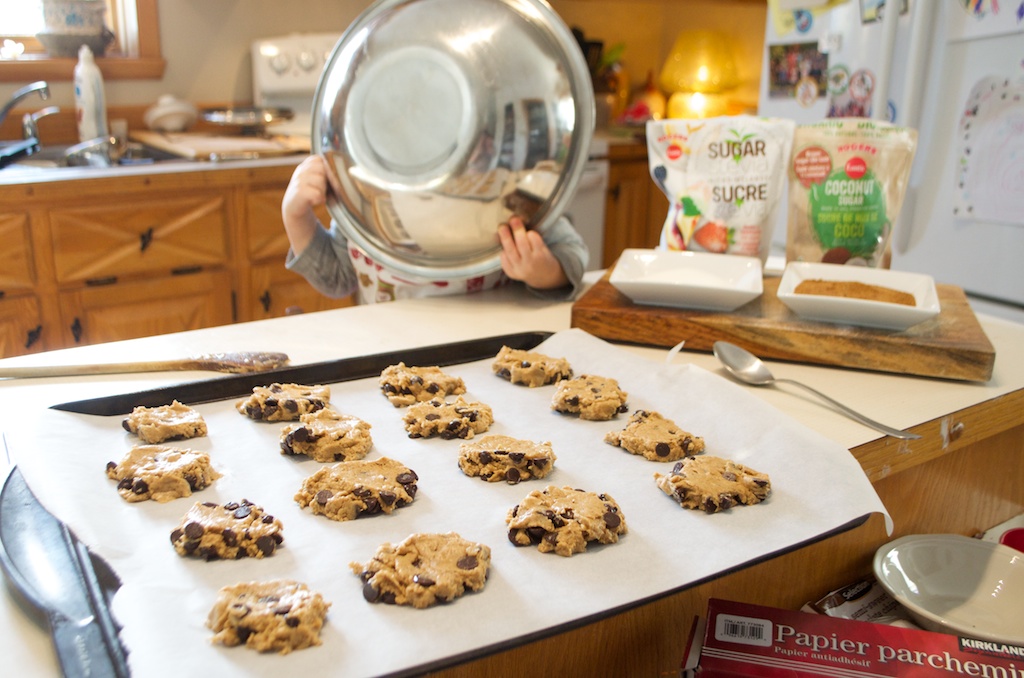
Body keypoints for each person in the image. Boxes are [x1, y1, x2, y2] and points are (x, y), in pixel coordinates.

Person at [281, 155, 589, 304]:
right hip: (387, 361)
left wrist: (545, 271)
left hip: (488, 357)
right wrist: (295, 216)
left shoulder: (507, 195)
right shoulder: (365, 199)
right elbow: (337, 277)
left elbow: (572, 256)